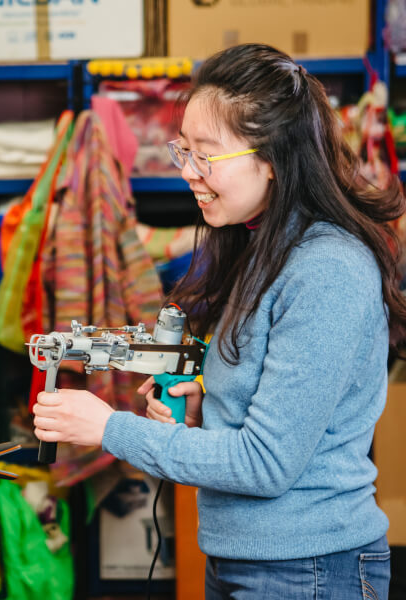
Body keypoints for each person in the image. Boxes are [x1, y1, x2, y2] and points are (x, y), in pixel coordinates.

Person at [32, 43, 406, 599]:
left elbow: (265, 464)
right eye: (184, 150)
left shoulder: (327, 269)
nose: (188, 172)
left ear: (274, 157)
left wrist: (110, 428)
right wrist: (210, 410)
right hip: (251, 561)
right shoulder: (261, 247)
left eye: (206, 155)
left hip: (306, 570)